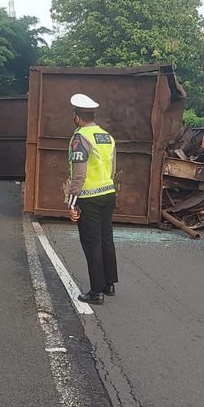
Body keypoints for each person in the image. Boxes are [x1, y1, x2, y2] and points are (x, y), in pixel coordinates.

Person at [65, 93, 118, 305]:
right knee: (106, 239)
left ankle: (96, 292)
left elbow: (79, 173)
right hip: (108, 194)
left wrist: (71, 203)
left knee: (91, 243)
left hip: (89, 198)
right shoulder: (107, 136)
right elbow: (113, 169)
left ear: (77, 117)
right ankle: (109, 284)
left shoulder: (80, 138)